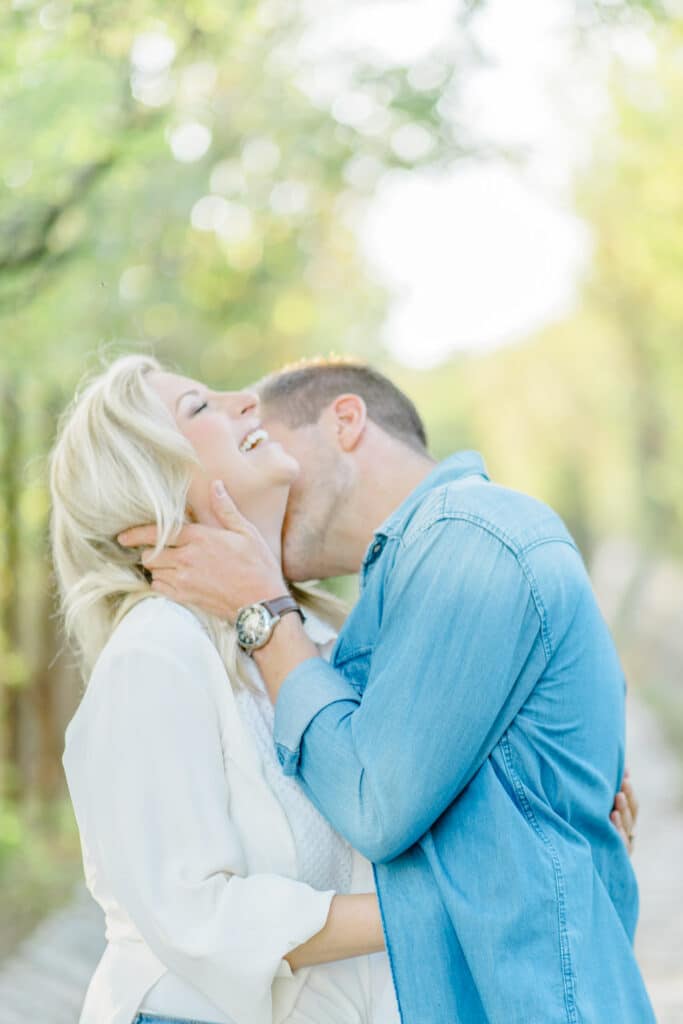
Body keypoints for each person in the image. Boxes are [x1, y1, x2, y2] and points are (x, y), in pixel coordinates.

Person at [122, 358, 653, 1023]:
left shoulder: (470, 535)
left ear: (345, 422)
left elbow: (375, 805)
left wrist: (264, 609)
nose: (272, 493)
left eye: (271, 447)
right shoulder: (384, 605)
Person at [50, 355, 402, 1024]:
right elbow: (194, 913)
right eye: (198, 408)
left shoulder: (326, 628)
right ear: (149, 485)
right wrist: (436, 908)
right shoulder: (154, 653)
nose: (247, 399)